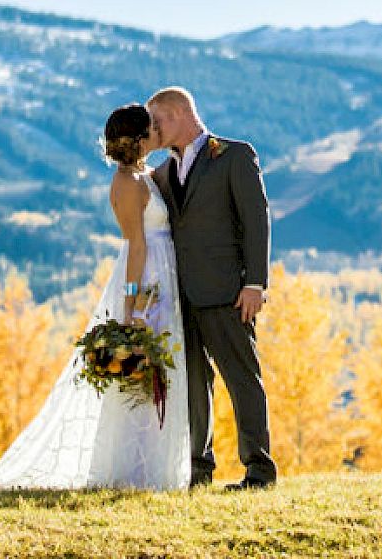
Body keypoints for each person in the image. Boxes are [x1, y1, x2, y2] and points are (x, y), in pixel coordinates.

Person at [0, 104, 190, 490]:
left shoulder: (142, 175)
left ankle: (157, 468)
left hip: (162, 274)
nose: (155, 133)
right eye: (149, 129)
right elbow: (136, 246)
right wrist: (131, 306)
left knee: (162, 372)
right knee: (143, 376)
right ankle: (137, 472)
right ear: (137, 139)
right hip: (147, 280)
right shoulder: (127, 185)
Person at [147, 87, 277, 490]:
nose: (153, 130)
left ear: (180, 114)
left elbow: (256, 221)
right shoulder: (162, 174)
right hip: (181, 296)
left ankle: (259, 469)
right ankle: (198, 469)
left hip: (228, 292)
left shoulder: (234, 155)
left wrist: (255, 283)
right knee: (191, 384)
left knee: (242, 379)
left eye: (157, 121)